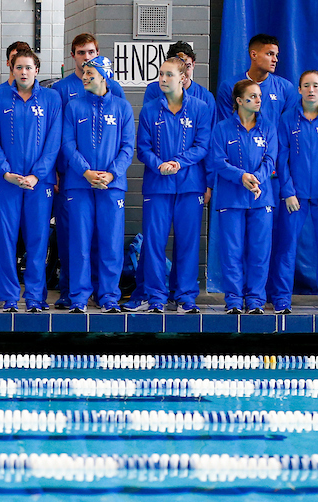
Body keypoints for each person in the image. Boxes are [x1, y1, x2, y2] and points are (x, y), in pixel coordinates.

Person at [0, 44, 61, 312]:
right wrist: (6, 172)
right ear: (12, 69)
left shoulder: (51, 99)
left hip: (39, 184)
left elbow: (53, 142)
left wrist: (37, 175)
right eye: (19, 67)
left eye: (28, 67)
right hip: (7, 182)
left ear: (37, 70)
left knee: (38, 241)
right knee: (6, 241)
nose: (24, 72)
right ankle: (9, 297)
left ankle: (36, 297)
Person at [51, 33, 126, 308]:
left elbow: (127, 145)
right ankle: (76, 294)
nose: (85, 67)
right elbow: (64, 142)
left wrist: (112, 173)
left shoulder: (120, 102)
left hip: (109, 184)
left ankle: (107, 295)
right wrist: (82, 172)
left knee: (109, 243)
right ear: (73, 55)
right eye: (81, 54)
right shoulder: (68, 99)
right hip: (76, 181)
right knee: (76, 241)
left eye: (91, 55)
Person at [135, 57, 211, 314]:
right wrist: (159, 165)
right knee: (154, 242)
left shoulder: (200, 108)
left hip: (190, 186)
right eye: (160, 74)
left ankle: (185, 297)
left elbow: (202, 146)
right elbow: (143, 148)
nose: (163, 79)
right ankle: (156, 297)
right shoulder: (149, 110)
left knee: (188, 243)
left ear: (183, 78)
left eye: (168, 74)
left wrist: (178, 163)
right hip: (158, 185)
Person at [269, 70, 318, 314]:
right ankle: (282, 298)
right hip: (295, 196)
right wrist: (288, 191)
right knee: (287, 246)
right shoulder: (287, 119)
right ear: (299, 89)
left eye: (316, 85)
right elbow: (281, 158)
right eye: (306, 85)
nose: (311, 90)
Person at [209, 79, 277, 314]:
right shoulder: (222, 128)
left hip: (261, 198)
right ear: (239, 100)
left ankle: (256, 300)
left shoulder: (268, 128)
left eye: (259, 96)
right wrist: (241, 176)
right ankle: (234, 300)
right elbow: (218, 161)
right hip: (231, 199)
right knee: (232, 252)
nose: (258, 100)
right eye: (253, 96)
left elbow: (270, 160)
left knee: (260, 252)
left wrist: (256, 178)